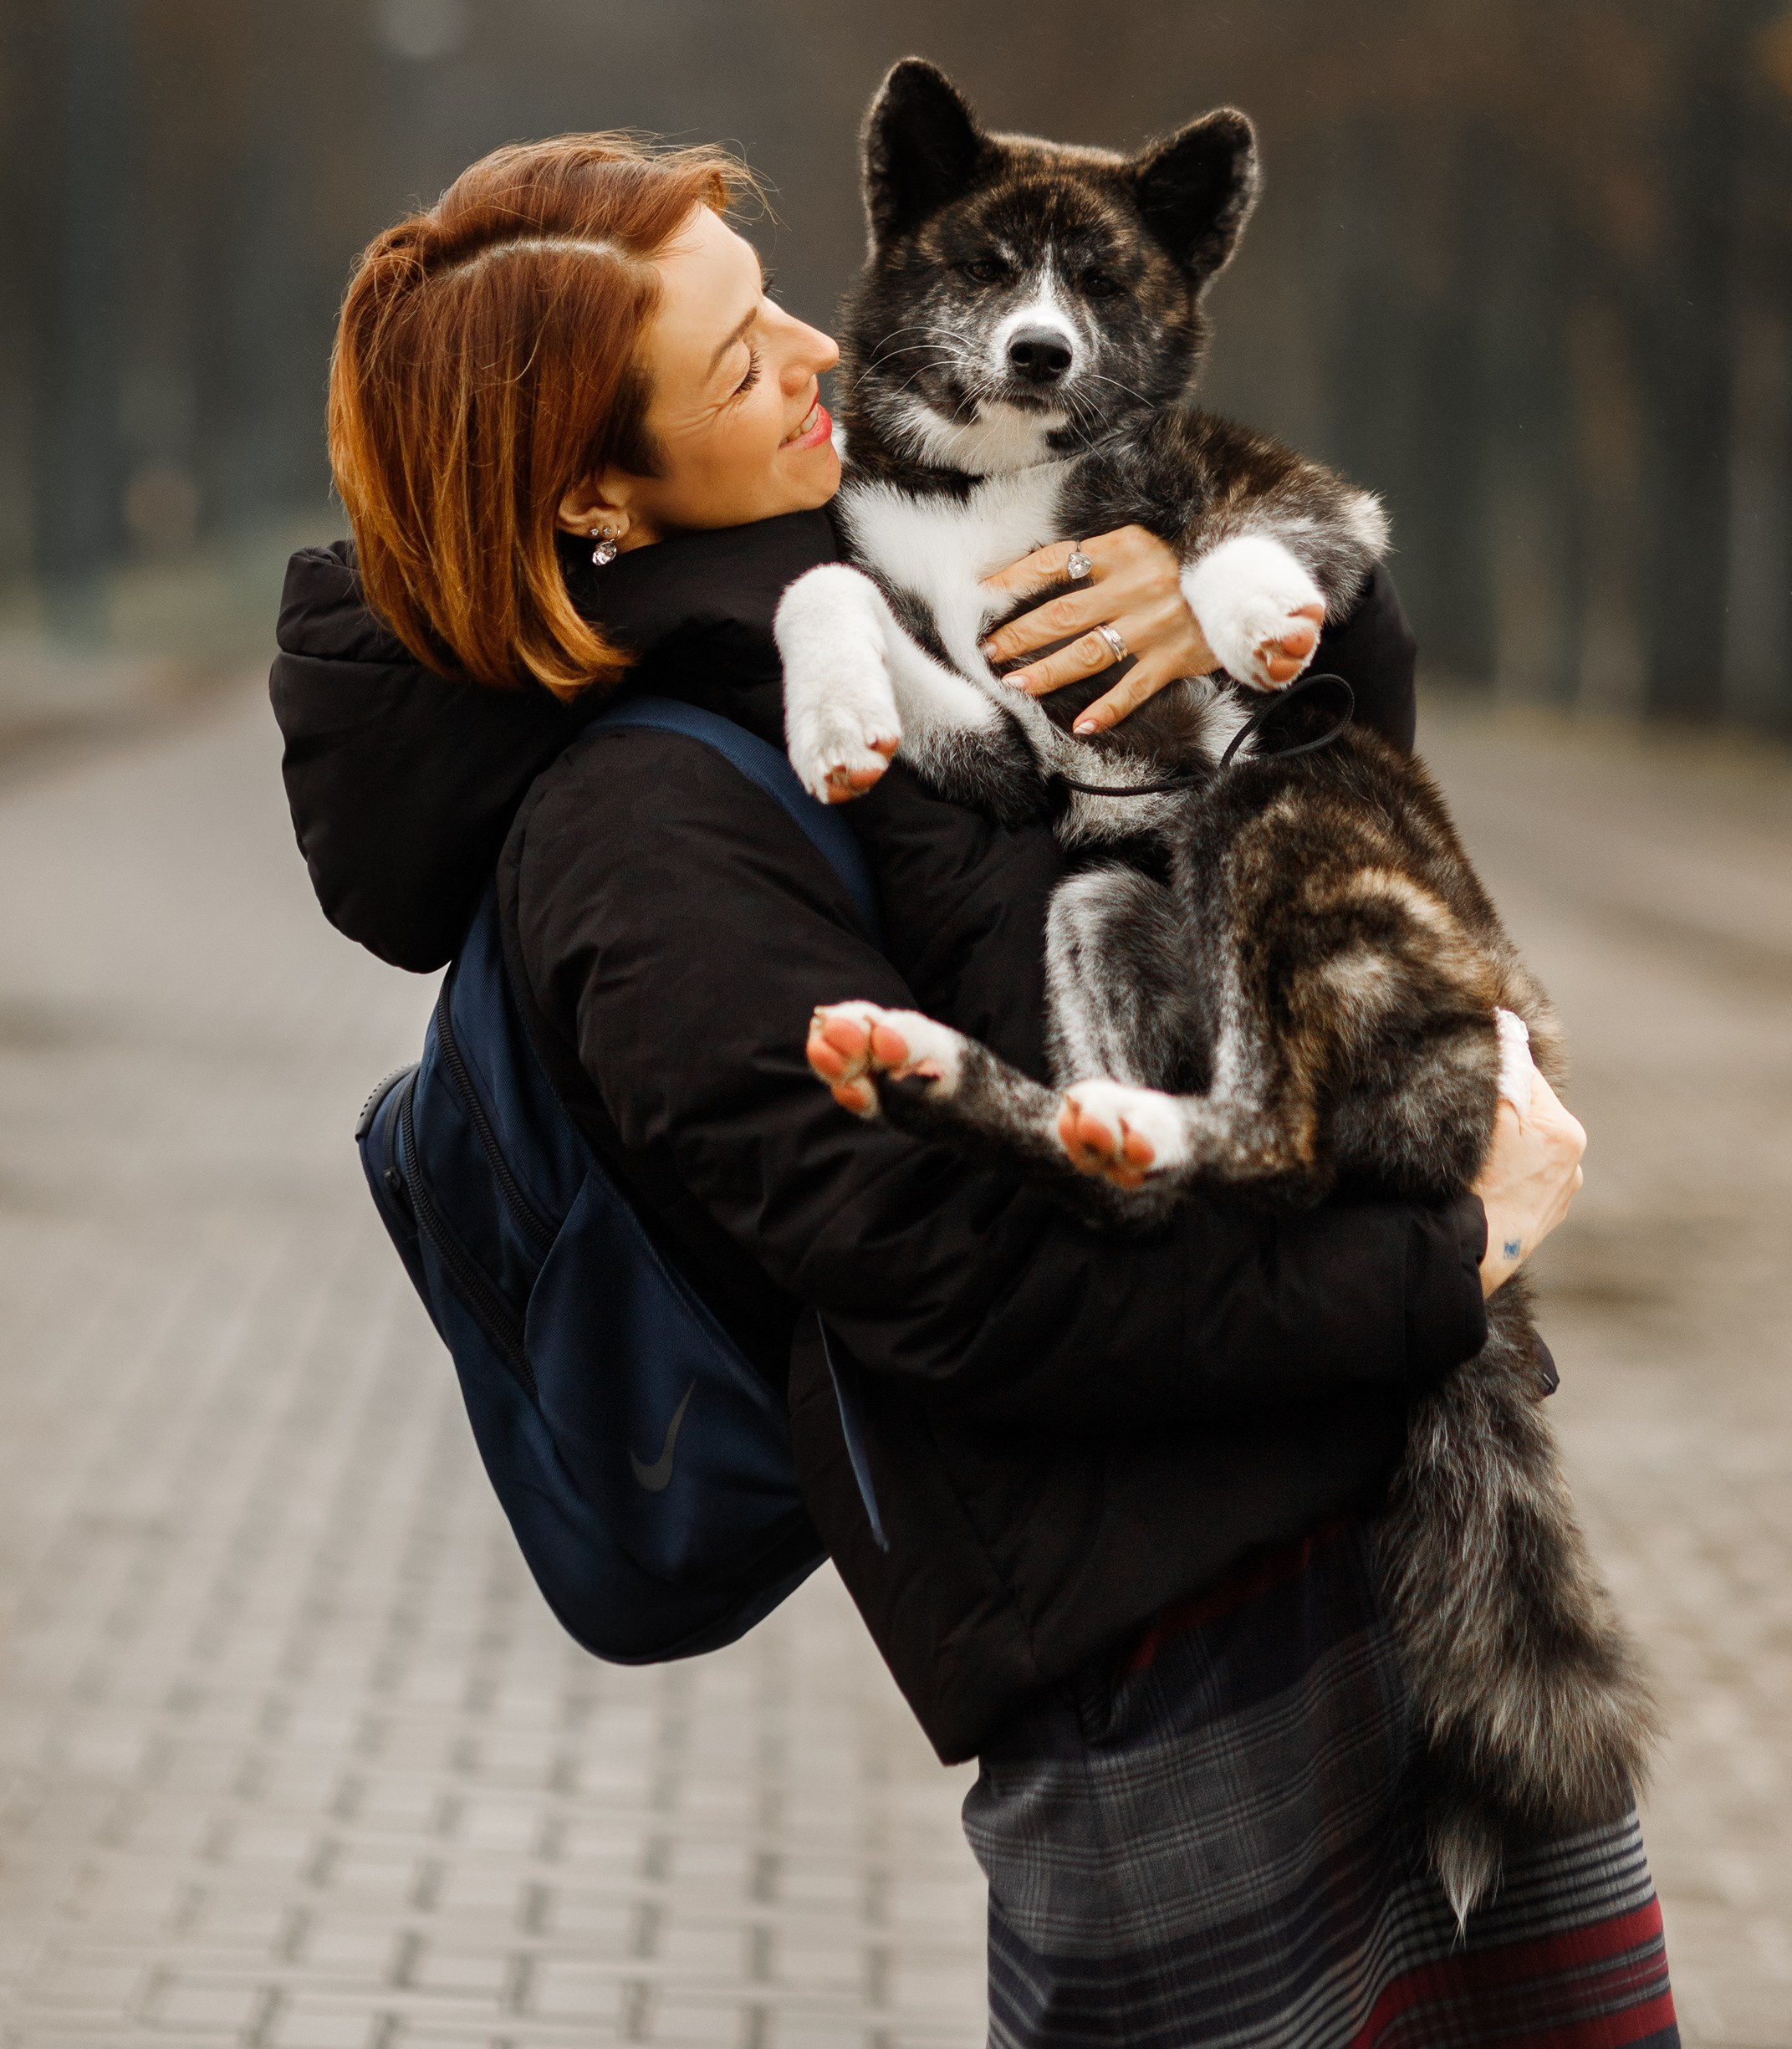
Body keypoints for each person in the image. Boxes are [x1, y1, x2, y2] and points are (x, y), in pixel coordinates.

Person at [273, 131, 1677, 2047]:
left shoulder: (935, 557)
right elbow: (965, 1284)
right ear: (598, 493)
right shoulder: (638, 839)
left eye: (770, 300)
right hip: (1165, 1660)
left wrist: (1233, 608)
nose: (814, 357)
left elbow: (1305, 834)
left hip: (1423, 1528)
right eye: (733, 365)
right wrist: (1445, 1261)